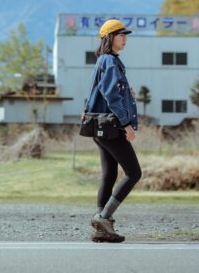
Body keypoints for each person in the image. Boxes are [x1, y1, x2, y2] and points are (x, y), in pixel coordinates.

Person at [83, 19, 142, 243]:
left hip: (100, 126)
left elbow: (102, 92)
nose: (124, 39)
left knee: (109, 174)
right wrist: (126, 124)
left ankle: (102, 229)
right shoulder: (109, 61)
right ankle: (103, 218)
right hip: (111, 127)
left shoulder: (106, 60)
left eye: (125, 35)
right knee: (134, 173)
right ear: (109, 38)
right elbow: (110, 95)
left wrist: (127, 93)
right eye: (120, 35)